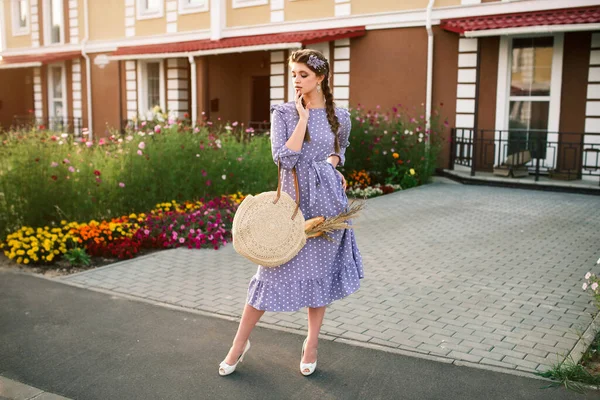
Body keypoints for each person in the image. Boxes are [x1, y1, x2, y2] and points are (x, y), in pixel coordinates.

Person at [219, 49, 364, 377]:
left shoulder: (339, 115)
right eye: (294, 74)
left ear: (321, 78)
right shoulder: (283, 112)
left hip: (327, 204)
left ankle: (311, 343)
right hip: (293, 205)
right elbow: (283, 159)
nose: (297, 81)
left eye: (304, 75)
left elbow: (339, 149)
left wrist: (331, 168)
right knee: (268, 273)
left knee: (319, 277)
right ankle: (238, 345)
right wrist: (301, 119)